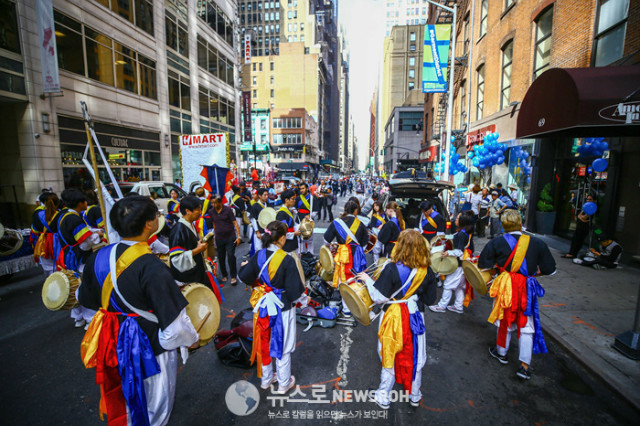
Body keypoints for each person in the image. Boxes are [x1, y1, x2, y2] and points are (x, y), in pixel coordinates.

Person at [78, 195, 199, 426]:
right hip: (147, 347)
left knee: (127, 400)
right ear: (149, 224)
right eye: (156, 215)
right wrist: (192, 339)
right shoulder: (151, 266)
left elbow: (86, 299)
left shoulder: (98, 257)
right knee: (155, 406)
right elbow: (174, 329)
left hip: (113, 341)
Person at [356, 229, 438, 409]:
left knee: (389, 353)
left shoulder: (391, 268)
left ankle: (384, 395)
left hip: (393, 315)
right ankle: (414, 395)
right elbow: (431, 300)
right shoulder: (427, 271)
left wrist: (367, 280)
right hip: (415, 317)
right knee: (416, 354)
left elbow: (379, 297)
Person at [479, 210, 556, 380]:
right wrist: (535, 273)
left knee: (503, 318)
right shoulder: (537, 243)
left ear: (503, 225)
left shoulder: (496, 242)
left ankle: (502, 353)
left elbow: (483, 264)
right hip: (526, 288)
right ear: (521, 224)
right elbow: (550, 268)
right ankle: (524, 366)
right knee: (526, 324)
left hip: (506, 285)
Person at [238, 221, 305, 393]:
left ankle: (266, 379)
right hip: (282, 307)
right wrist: (305, 300)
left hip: (263, 306)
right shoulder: (287, 259)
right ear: (282, 238)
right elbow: (295, 292)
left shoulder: (259, 255)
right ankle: (283, 383)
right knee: (282, 345)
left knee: (264, 341)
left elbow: (244, 277)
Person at [56, 189, 105, 328]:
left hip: (68, 256)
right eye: (84, 201)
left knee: (75, 285)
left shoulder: (64, 216)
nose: (86, 203)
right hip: (79, 257)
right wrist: (99, 235)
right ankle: (90, 319)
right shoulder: (74, 219)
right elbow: (85, 242)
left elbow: (85, 230)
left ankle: (78, 317)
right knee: (85, 286)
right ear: (79, 203)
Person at [169, 196, 222, 298]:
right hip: (189, 279)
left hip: (197, 273)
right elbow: (176, 260)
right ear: (188, 211)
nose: (200, 212)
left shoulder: (190, 225)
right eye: (198, 209)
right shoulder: (178, 230)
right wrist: (198, 250)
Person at [323, 201, 368, 317]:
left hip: (343, 255)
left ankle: (347, 309)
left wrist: (333, 248)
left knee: (343, 280)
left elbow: (326, 240)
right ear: (356, 211)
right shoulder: (360, 223)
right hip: (356, 256)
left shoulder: (337, 222)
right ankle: (355, 306)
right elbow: (364, 244)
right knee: (355, 279)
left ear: (345, 210)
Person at [429, 213, 475, 314]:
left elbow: (459, 252)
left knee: (448, 285)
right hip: (464, 265)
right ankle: (458, 306)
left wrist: (447, 253)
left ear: (462, 221)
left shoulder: (461, 235)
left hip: (458, 265)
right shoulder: (465, 233)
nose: (455, 220)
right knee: (459, 287)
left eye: (458, 218)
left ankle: (442, 306)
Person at [209, 194, 243, 286]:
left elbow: (235, 223)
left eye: (215, 203)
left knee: (231, 256)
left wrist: (238, 236)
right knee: (221, 257)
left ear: (220, 202)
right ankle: (224, 275)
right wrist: (215, 234)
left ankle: (233, 276)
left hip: (230, 237)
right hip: (219, 238)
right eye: (212, 203)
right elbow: (213, 224)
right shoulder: (211, 211)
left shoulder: (228, 210)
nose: (213, 205)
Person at [31, 192, 61, 277]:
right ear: (57, 202)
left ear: (42, 202)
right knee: (59, 269)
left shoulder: (37, 215)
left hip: (43, 245)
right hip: (58, 245)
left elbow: (34, 232)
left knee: (48, 270)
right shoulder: (61, 215)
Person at [563, 194, 595, 259]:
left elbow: (584, 218)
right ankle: (570, 253)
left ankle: (573, 254)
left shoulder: (592, 208)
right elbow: (579, 216)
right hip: (580, 225)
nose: (588, 200)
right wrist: (581, 216)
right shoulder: (586, 207)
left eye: (590, 199)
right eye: (587, 199)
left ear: (593, 200)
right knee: (574, 239)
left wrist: (581, 217)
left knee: (579, 240)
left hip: (585, 226)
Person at [296, 182, 318, 254]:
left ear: (307, 189)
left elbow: (316, 211)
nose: (301, 190)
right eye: (300, 189)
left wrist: (310, 216)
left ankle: (310, 255)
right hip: (299, 220)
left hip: (308, 222)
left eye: (303, 188)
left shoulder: (312, 198)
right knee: (300, 240)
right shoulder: (298, 198)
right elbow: (294, 208)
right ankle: (300, 255)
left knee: (309, 240)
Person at [250, 188, 270, 255]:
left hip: (267, 230)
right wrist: (257, 232)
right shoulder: (255, 206)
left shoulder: (268, 205)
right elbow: (253, 220)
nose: (266, 196)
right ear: (259, 196)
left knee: (267, 248)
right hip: (259, 230)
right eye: (265, 195)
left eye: (267, 195)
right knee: (259, 249)